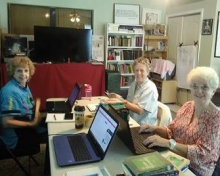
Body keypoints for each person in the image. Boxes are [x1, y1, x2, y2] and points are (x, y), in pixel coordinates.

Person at [139, 67, 220, 176]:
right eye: (195, 86)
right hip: (174, 158)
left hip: (195, 170)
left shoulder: (215, 118)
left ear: (213, 90)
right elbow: (171, 131)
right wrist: (154, 128)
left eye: (205, 87)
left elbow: (202, 154)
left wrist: (168, 143)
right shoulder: (187, 106)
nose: (198, 91)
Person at [0, 56, 47, 150]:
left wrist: (38, 113)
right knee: (55, 134)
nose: (23, 74)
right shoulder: (10, 92)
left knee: (54, 119)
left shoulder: (23, 85)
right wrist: (32, 123)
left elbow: (29, 105)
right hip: (17, 137)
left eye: (26, 70)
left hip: (27, 122)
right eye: (19, 71)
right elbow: (6, 122)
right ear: (12, 72)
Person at [108, 57, 158, 125]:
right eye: (136, 70)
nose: (139, 73)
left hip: (143, 127)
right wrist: (118, 97)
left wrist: (121, 101)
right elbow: (130, 103)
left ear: (148, 72)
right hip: (132, 121)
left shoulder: (150, 88)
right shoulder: (134, 84)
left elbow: (140, 110)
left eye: (142, 70)